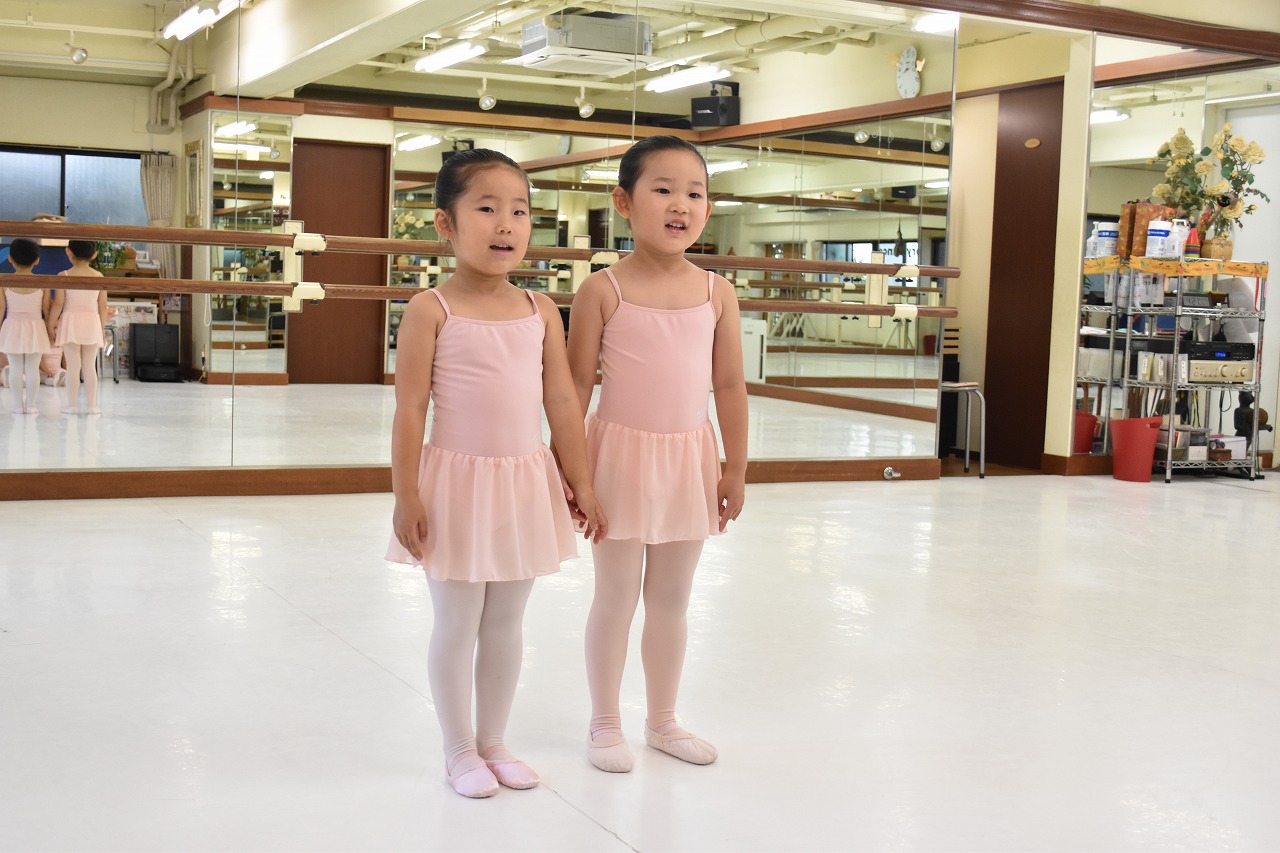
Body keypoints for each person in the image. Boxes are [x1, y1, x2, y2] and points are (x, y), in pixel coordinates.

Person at [385, 148, 608, 799]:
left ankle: (494, 741)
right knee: (457, 622)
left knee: (507, 621)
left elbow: (561, 400)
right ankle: (458, 748)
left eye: (519, 211)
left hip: (521, 482)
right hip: (455, 485)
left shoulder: (540, 309)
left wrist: (581, 481)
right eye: (486, 208)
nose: (506, 224)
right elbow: (410, 409)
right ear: (445, 223)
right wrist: (405, 494)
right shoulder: (430, 308)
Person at [567, 135, 748, 773]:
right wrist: (572, 471)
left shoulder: (717, 292)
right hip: (617, 458)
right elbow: (575, 388)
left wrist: (735, 467)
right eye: (663, 190)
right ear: (624, 202)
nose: (680, 205)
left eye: (694, 193)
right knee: (615, 596)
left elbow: (730, 385)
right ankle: (604, 722)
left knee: (672, 599)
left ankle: (663, 720)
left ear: (708, 207)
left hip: (688, 459)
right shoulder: (602, 289)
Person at [46, 240, 107, 414]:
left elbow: (58, 304)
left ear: (68, 252)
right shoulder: (99, 276)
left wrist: (51, 324)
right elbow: (102, 306)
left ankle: (71, 406)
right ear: (94, 255)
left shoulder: (63, 275)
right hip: (92, 322)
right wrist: (101, 328)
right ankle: (92, 406)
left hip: (70, 322)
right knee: (89, 366)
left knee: (73, 366)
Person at [0, 238, 52, 414]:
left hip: (12, 327)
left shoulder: (3, 281)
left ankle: (17, 406)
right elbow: (46, 309)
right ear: (37, 260)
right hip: (36, 327)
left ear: (10, 259)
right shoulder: (43, 282)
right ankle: (31, 405)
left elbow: (1, 309)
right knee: (32, 368)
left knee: (15, 367)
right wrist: (50, 329)